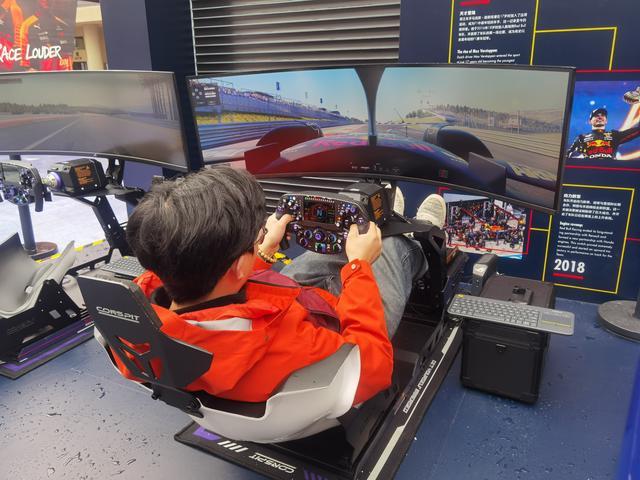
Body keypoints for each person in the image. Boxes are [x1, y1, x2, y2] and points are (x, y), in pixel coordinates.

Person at [122, 167, 446, 406]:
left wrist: (262, 252)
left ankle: (382, 219)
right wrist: (359, 267)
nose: (258, 238)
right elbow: (370, 366)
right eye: (253, 238)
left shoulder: (139, 313)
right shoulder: (293, 349)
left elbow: (217, 279)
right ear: (238, 266)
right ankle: (412, 240)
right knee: (391, 249)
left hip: (265, 310)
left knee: (338, 239)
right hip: (325, 331)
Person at [567, 88, 640, 161]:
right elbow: (567, 156)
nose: (600, 117)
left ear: (606, 121)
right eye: (596, 115)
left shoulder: (614, 135)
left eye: (603, 115)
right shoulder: (581, 138)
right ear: (590, 121)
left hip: (610, 167)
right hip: (589, 167)